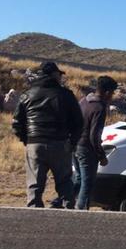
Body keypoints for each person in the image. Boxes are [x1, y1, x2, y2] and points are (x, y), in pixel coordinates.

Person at [11, 61, 83, 209]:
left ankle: (34, 215)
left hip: (35, 144)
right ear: (54, 75)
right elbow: (79, 122)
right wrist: (72, 142)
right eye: (59, 74)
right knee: (65, 183)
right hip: (60, 143)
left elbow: (17, 123)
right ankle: (69, 213)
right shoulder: (66, 95)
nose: (61, 77)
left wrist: (27, 140)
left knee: (34, 184)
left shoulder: (27, 94)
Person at [73, 75, 117, 211]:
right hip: (86, 149)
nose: (112, 97)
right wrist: (101, 156)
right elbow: (94, 136)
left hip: (75, 145)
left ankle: (65, 203)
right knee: (87, 183)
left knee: (79, 179)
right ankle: (80, 212)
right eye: (112, 93)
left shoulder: (83, 101)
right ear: (107, 92)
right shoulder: (99, 108)